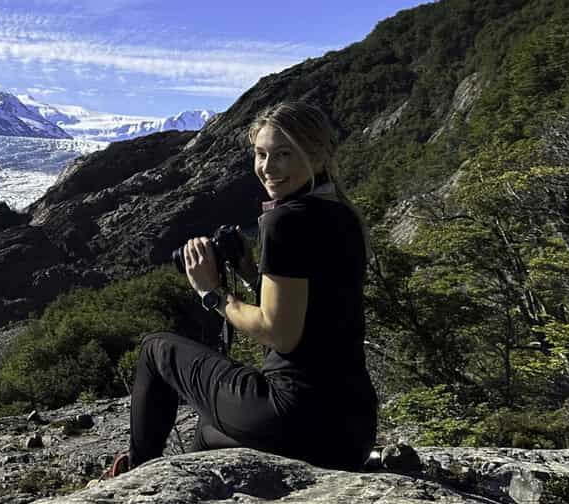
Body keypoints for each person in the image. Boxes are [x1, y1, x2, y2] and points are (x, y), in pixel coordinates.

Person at [106, 100, 378, 476]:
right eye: (261, 154)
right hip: (350, 433)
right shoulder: (343, 215)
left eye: (283, 154)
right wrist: (253, 272)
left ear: (317, 155)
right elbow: (317, 311)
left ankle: (134, 476)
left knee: (156, 349)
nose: (268, 167)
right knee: (208, 429)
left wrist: (213, 293)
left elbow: (279, 333)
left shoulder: (285, 221)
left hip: (294, 416)